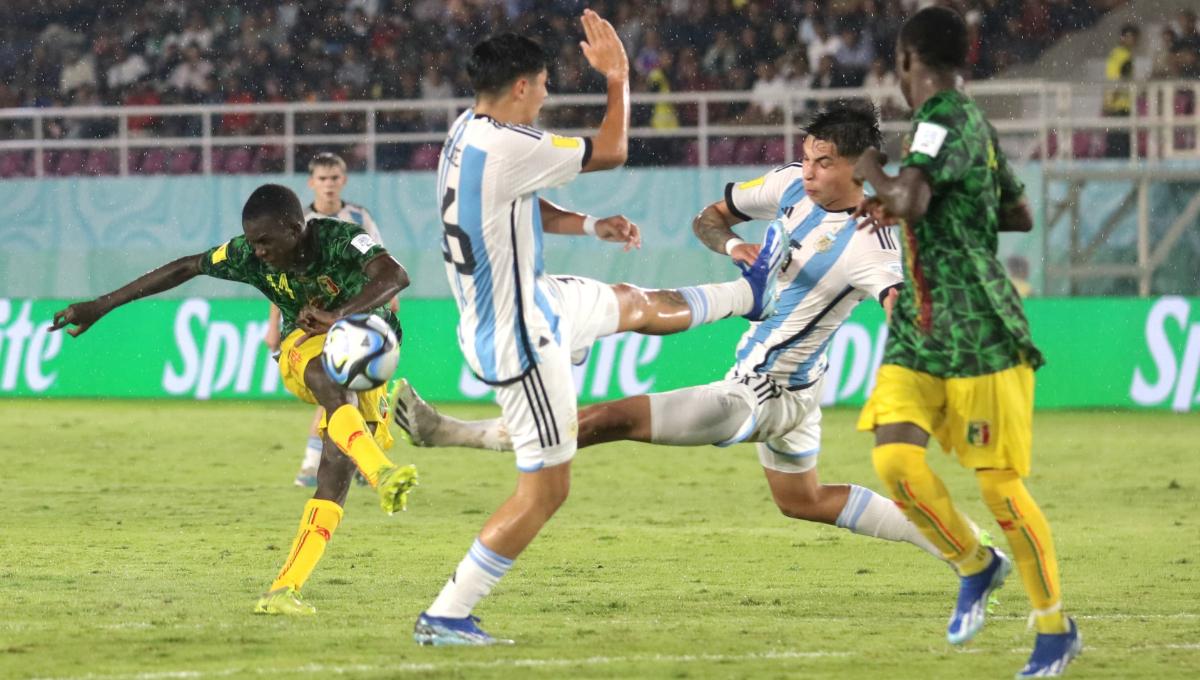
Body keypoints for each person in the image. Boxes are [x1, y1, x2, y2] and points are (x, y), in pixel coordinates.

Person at [394, 101, 963, 571]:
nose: (809, 171)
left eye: (824, 163)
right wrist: (733, 246)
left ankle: (451, 433)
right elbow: (708, 218)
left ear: (859, 169)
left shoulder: (872, 243)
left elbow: (898, 304)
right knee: (803, 500)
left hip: (766, 393)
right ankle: (963, 545)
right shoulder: (789, 186)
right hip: (797, 388)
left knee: (607, 420)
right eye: (807, 158)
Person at [413, 13, 783, 646]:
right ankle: (446, 612)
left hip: (538, 299)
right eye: (547, 84)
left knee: (633, 303)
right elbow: (612, 150)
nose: (551, 95)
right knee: (547, 489)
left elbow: (524, 199)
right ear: (524, 87)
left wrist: (590, 227)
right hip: (519, 337)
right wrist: (618, 78)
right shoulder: (509, 144)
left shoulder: (468, 132)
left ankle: (750, 294)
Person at [50, 184, 419, 617]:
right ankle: (380, 469)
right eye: (252, 241)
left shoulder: (339, 240)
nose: (257, 251)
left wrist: (339, 316)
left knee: (334, 470)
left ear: (296, 228)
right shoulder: (245, 254)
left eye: (265, 241)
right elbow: (187, 267)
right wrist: (102, 304)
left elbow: (395, 275)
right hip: (304, 347)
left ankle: (284, 589)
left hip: (365, 342)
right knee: (326, 379)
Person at [851, 7, 1080, 678]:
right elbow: (1018, 211)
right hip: (921, 332)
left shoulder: (942, 117)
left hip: (979, 331)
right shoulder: (973, 126)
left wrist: (874, 167)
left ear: (906, 63)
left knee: (1002, 491)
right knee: (895, 464)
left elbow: (913, 201)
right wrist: (910, 196)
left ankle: (1054, 628)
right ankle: (977, 564)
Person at [265, 151, 400, 488]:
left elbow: (382, 260)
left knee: (355, 386)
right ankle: (330, 463)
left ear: (343, 180)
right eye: (322, 179)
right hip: (314, 316)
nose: (328, 185)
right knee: (338, 385)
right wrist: (273, 324)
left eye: (334, 178)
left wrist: (390, 299)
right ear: (312, 183)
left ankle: (335, 463)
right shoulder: (300, 222)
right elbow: (280, 279)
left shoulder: (359, 217)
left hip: (355, 309)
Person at [1102, 23, 1139, 159]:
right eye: (1129, 37)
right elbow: (1118, 81)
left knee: (1115, 142)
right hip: (1120, 105)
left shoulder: (1115, 54)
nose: (1132, 40)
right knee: (1121, 145)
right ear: (1123, 38)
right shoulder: (1124, 57)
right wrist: (1110, 102)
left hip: (1116, 104)